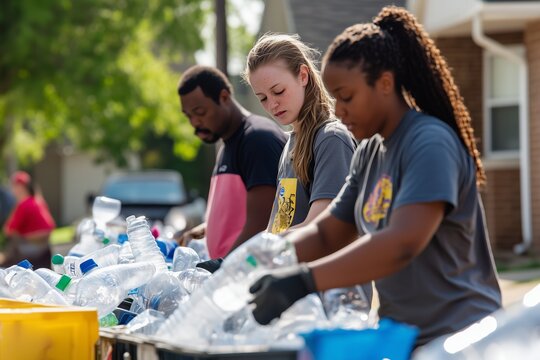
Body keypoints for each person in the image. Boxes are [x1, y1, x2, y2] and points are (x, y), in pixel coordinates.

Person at [247, 6, 502, 348]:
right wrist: (257, 262)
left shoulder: (429, 142)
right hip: (405, 338)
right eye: (335, 98)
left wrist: (305, 280)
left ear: (385, 84)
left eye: (347, 97)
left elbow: (401, 242)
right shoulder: (368, 153)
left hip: (462, 338)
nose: (338, 110)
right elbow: (326, 233)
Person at [244, 33, 372, 302]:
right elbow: (277, 228)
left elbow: (320, 229)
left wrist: (256, 255)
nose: (272, 104)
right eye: (262, 98)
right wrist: (242, 265)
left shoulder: (331, 139)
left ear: (303, 75)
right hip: (293, 297)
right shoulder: (290, 143)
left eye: (278, 91)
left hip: (332, 299)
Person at [175, 65, 287, 260]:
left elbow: (262, 223)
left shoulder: (257, 138)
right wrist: (206, 229)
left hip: (249, 277)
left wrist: (222, 269)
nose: (195, 122)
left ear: (224, 97)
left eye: (200, 112)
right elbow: (238, 213)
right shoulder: (227, 145)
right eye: (188, 116)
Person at [2, 171, 55, 269]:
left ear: (20, 187)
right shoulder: (38, 200)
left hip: (30, 250)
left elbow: (8, 230)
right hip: (45, 248)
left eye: (13, 186)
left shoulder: (24, 204)